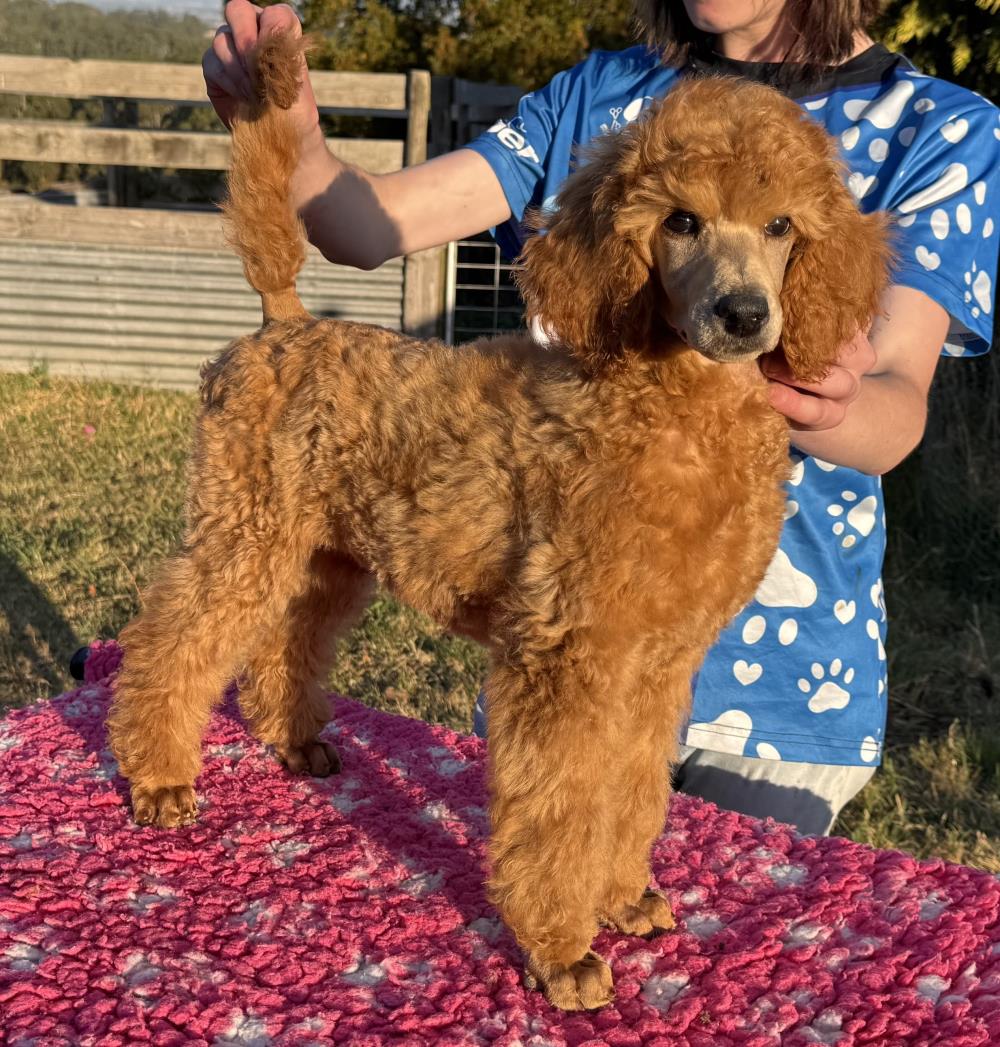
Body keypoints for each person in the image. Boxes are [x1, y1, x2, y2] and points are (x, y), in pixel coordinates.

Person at [203, 0, 998, 835]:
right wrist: (292, 135)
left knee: (728, 912)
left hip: (782, 693)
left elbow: (895, 408)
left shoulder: (937, 128)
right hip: (564, 640)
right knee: (554, 867)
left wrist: (814, 394)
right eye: (683, 222)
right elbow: (369, 225)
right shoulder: (599, 96)